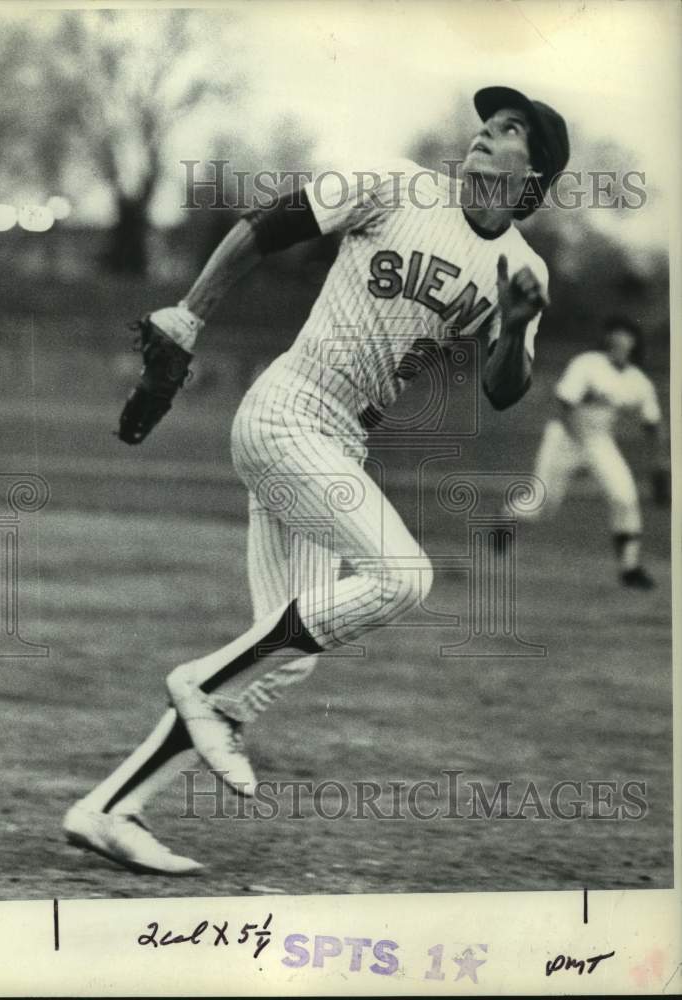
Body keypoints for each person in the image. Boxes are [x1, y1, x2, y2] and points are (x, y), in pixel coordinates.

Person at [64, 85, 570, 873]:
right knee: (402, 576)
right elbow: (268, 227)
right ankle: (197, 684)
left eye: (509, 131)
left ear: (532, 178)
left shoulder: (522, 268)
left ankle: (109, 809)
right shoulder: (399, 185)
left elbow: (505, 386)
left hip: (338, 448)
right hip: (288, 413)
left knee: (288, 651)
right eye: (486, 122)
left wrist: (509, 322)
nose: (484, 133)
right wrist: (189, 317)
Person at [516, 317, 667, 589]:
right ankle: (504, 520)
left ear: (634, 346)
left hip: (599, 440)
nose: (619, 345)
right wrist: (580, 441)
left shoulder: (638, 382)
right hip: (564, 436)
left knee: (625, 497)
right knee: (541, 504)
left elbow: (653, 424)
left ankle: (629, 568)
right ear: (607, 341)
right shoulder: (587, 364)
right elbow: (564, 404)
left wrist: (661, 465)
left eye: (625, 341)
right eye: (615, 339)